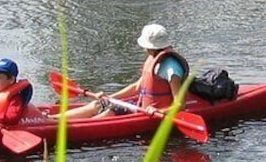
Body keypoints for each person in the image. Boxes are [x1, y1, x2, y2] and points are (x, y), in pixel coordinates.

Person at [62, 24, 190, 119]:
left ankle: (63, 129)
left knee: (112, 111)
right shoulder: (154, 58)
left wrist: (161, 111)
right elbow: (136, 87)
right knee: (98, 104)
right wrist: (110, 97)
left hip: (152, 112)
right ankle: (53, 119)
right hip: (141, 107)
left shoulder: (171, 69)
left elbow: (180, 105)